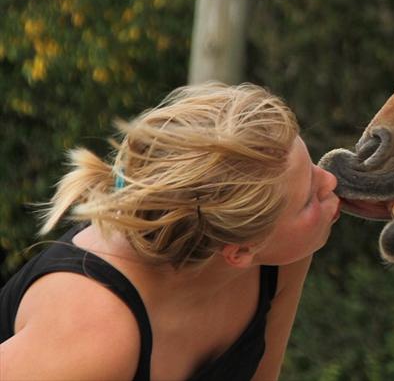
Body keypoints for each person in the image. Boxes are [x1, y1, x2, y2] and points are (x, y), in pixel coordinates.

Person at [0, 82, 340, 380]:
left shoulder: (275, 258)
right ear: (238, 251)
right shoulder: (93, 336)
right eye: (309, 198)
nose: (331, 181)